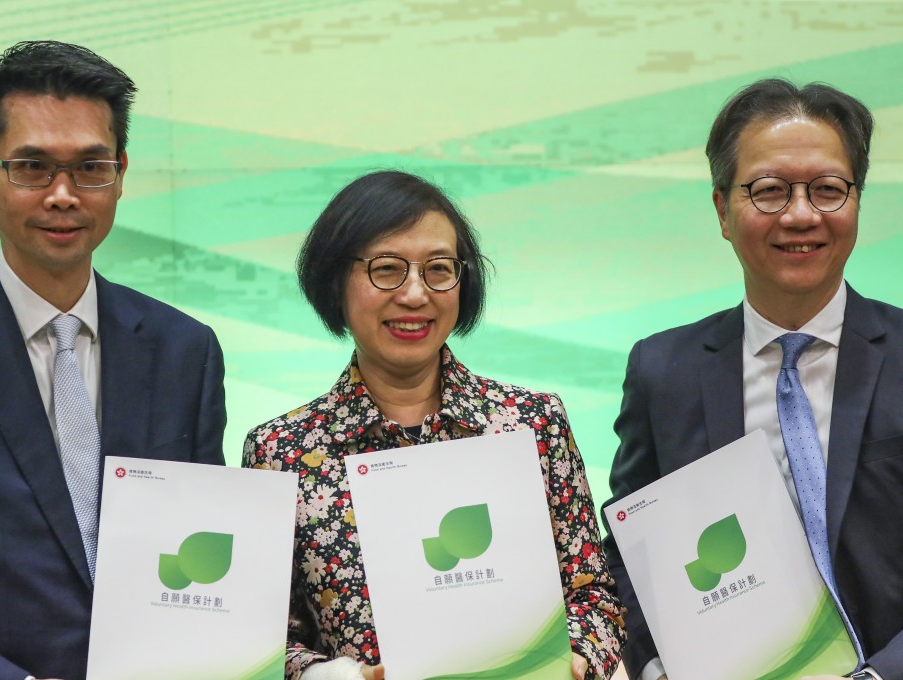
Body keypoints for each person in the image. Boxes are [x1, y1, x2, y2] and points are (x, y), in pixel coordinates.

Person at [0, 41, 227, 680]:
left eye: (91, 166)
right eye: (34, 167)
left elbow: (204, 556)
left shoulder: (186, 351)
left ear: (121, 173)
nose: (64, 194)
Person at [243, 170, 625, 680]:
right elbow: (263, 638)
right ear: (336, 280)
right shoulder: (280, 451)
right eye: (387, 269)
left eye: (439, 270)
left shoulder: (532, 424)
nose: (416, 295)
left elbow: (591, 593)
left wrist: (572, 661)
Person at [602, 78, 903, 680]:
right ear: (722, 209)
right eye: (769, 191)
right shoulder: (662, 372)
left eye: (827, 189)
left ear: (857, 200)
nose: (800, 214)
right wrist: (655, 663)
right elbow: (629, 555)